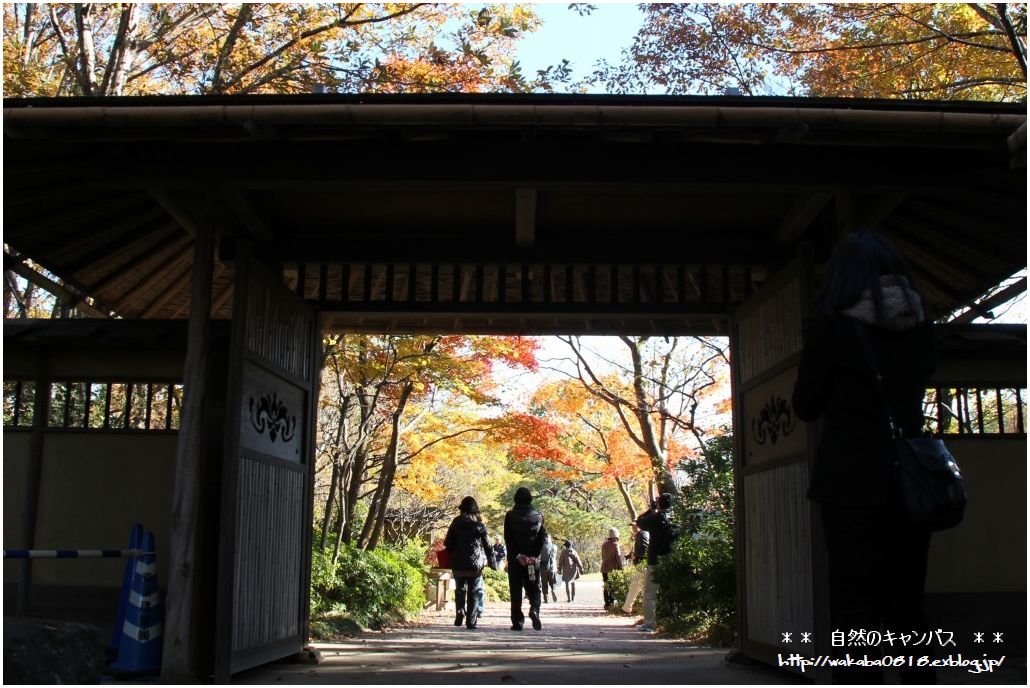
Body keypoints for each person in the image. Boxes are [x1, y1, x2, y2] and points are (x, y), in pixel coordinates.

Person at [792, 231, 936, 684]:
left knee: (854, 601)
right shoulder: (919, 322)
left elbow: (806, 403)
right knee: (907, 597)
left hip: (851, 480)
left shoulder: (833, 327)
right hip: (914, 479)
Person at [443, 496, 496, 630]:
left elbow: (447, 543)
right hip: (474, 565)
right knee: (473, 591)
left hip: (458, 563)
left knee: (460, 589)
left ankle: (460, 611)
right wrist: (492, 563)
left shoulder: (455, 522)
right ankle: (471, 622)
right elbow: (488, 546)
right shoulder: (479, 525)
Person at [503, 487, 548, 631]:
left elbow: (508, 539)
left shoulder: (510, 516)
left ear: (515, 499)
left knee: (515, 590)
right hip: (532, 562)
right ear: (530, 499)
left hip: (516, 561)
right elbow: (542, 538)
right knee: (534, 587)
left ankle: (517, 622)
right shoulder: (538, 516)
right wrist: (534, 556)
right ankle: (534, 609)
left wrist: (518, 555)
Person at [636, 493, 677, 632]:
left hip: (654, 559)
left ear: (659, 504)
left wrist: (650, 510)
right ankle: (672, 622)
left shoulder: (655, 518)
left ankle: (650, 623)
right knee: (671, 592)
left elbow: (639, 522)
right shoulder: (675, 519)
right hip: (671, 560)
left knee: (650, 594)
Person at [621, 522, 650, 615]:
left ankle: (646, 613)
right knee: (635, 586)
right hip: (640, 566)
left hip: (642, 566)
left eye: (636, 526)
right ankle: (627, 608)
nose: (634, 528)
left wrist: (635, 556)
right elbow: (639, 550)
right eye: (633, 526)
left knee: (642, 588)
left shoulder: (643, 534)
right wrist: (629, 556)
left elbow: (645, 550)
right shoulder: (640, 535)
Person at [600, 527, 624, 609]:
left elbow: (602, 556)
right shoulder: (616, 545)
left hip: (604, 568)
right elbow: (618, 558)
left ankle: (607, 604)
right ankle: (611, 602)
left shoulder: (604, 544)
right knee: (613, 586)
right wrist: (621, 568)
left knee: (606, 585)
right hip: (613, 568)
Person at [538, 533, 559, 604]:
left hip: (543, 568)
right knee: (553, 582)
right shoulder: (555, 546)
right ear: (550, 539)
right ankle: (553, 590)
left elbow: (538, 557)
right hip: (553, 568)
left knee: (544, 584)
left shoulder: (540, 547)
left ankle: (546, 598)